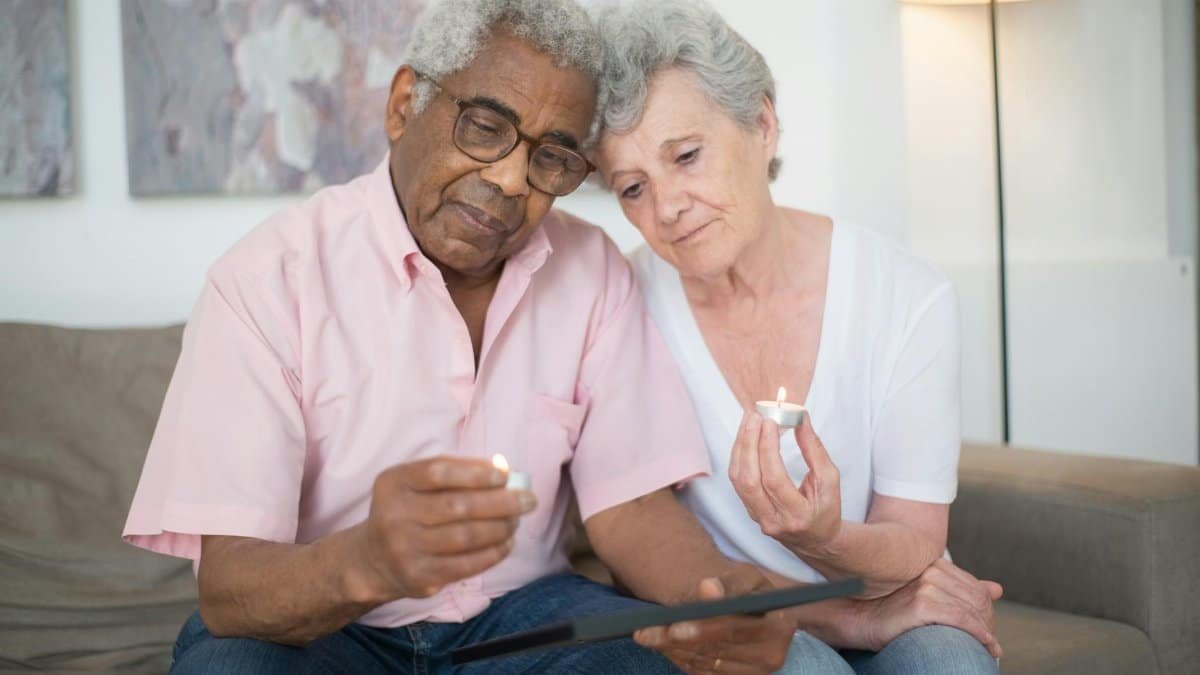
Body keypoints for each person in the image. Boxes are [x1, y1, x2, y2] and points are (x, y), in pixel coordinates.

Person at [122, 0, 801, 672]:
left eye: (552, 159)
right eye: (484, 127)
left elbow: (634, 508)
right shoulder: (265, 280)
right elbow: (230, 586)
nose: (510, 179)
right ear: (404, 106)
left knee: (647, 665)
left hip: (526, 617)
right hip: (329, 624)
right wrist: (369, 559)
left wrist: (711, 595)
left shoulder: (591, 272)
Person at [591, 1, 1004, 673]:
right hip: (752, 613)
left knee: (950, 662)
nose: (666, 208)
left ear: (762, 123)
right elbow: (646, 541)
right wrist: (847, 612)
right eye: (633, 188)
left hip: (893, 591)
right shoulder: (620, 302)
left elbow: (914, 542)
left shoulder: (907, 295)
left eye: (687, 156)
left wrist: (826, 538)